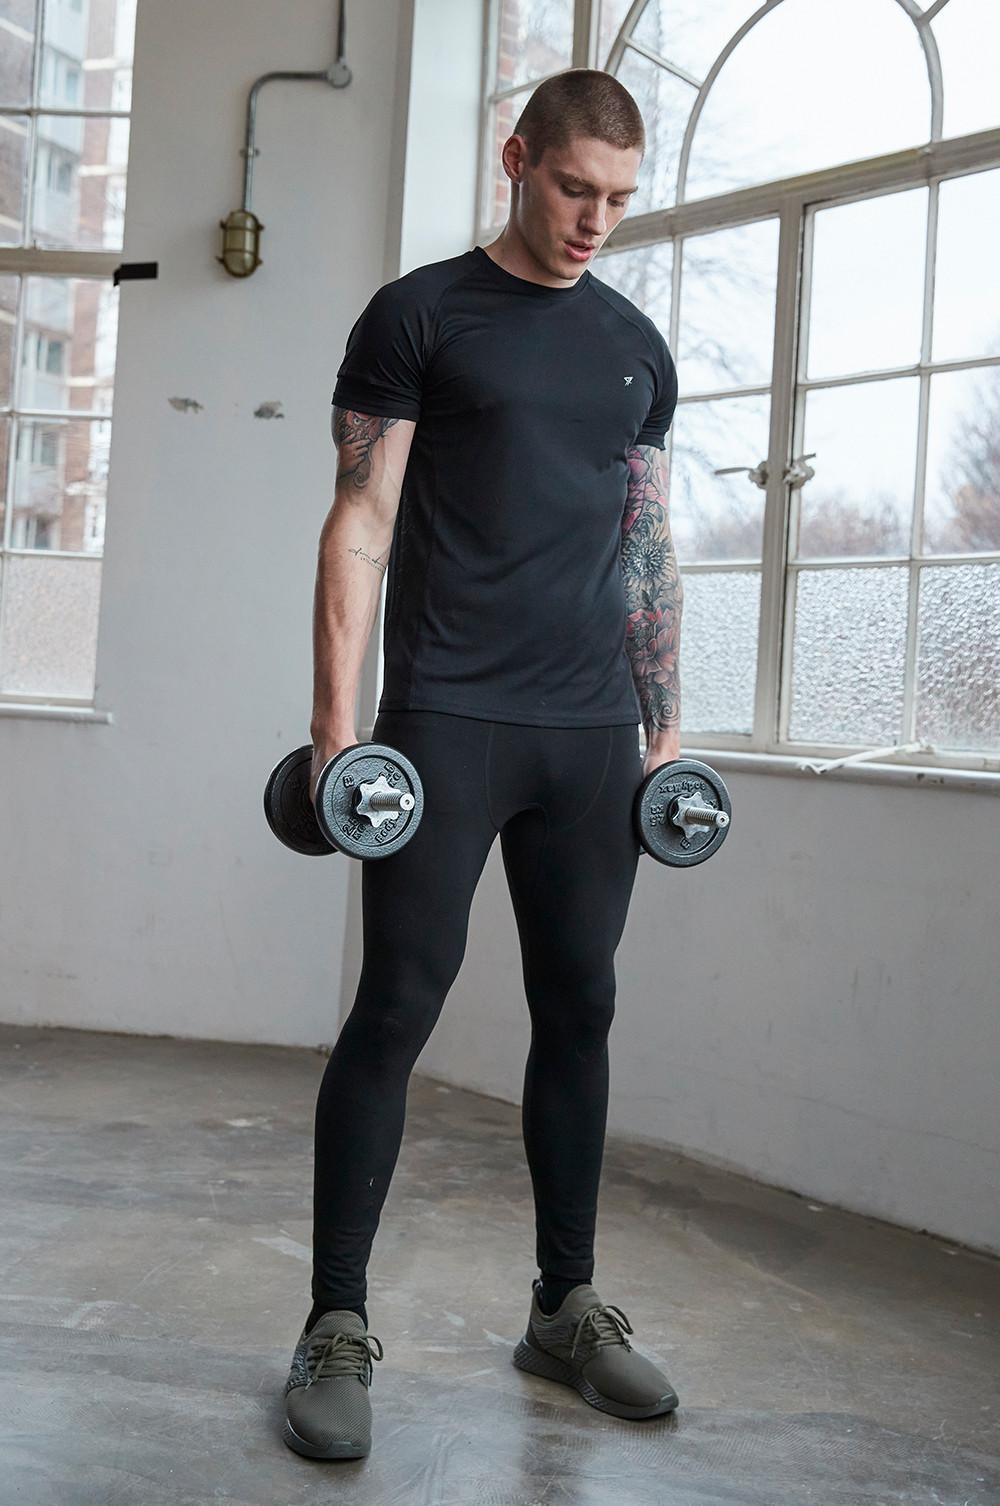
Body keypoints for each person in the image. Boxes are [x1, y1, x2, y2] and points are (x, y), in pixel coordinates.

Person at [282, 67, 682, 1462]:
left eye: (621, 199)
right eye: (575, 187)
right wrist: (341, 731)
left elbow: (643, 541)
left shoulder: (636, 345)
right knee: (397, 1004)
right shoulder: (421, 315)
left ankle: (564, 1306)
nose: (595, 221)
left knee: (582, 1004)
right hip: (446, 716)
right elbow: (358, 520)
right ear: (518, 159)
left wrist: (665, 725)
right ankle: (335, 1321)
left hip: (590, 739)